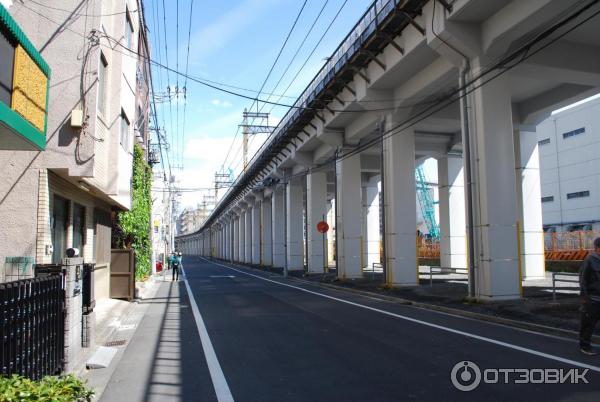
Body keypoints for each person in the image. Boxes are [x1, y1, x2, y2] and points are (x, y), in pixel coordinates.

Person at [579, 237, 600, 355]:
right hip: (592, 299)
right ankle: (585, 347)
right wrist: (585, 298)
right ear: (597, 248)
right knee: (588, 324)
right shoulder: (590, 260)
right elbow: (583, 280)